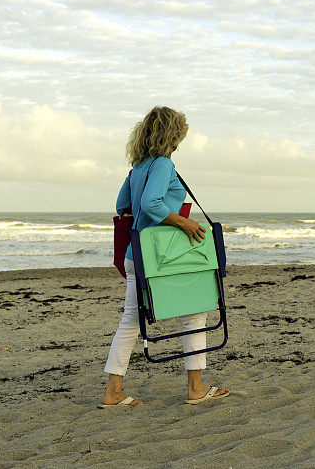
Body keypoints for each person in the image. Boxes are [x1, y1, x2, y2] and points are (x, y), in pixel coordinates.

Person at [100, 106, 228, 407]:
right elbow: (151, 203)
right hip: (163, 255)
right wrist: (184, 222)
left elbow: (123, 206)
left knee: (131, 321)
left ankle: (113, 391)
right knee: (196, 313)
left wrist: (145, 224)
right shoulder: (163, 165)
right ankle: (195, 388)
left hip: (137, 253)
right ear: (172, 134)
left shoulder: (138, 167)